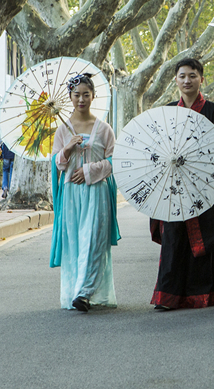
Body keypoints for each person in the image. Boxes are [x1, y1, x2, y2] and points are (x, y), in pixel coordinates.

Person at [149, 58, 214, 310]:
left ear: (201, 79)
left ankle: (202, 295)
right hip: (174, 187)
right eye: (183, 76)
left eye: (193, 76)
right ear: (175, 80)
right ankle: (168, 297)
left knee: (202, 240)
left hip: (203, 187)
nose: (187, 81)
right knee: (174, 239)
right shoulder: (167, 111)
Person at [50, 74, 120, 312]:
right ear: (70, 96)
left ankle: (84, 292)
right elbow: (58, 164)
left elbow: (114, 161)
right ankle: (75, 291)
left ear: (93, 96)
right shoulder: (62, 130)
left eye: (86, 94)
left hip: (97, 191)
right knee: (75, 243)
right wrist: (67, 149)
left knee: (93, 240)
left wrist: (90, 170)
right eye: (77, 94)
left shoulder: (104, 129)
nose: (81, 99)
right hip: (71, 193)